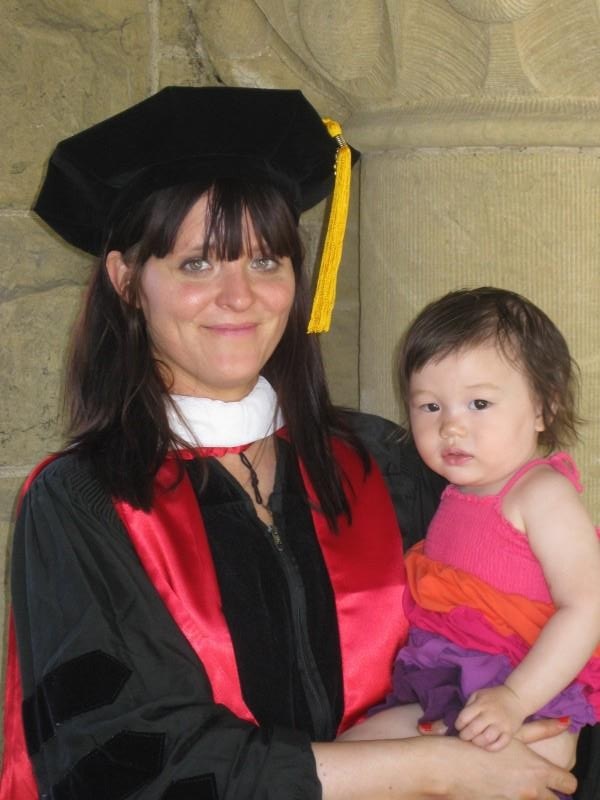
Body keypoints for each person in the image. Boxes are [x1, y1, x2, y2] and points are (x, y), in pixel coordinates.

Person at [0, 90, 576, 800]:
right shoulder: (86, 502)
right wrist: (435, 767)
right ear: (126, 282)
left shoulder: (385, 460)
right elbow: (121, 756)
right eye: (197, 264)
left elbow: (528, 625)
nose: (240, 296)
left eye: (267, 261)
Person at [340, 288, 600, 791]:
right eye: (430, 406)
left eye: (479, 403)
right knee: (351, 754)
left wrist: (516, 698)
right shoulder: (452, 493)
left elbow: (587, 606)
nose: (452, 427)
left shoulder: (541, 493)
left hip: (530, 686)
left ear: (544, 407)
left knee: (538, 765)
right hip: (445, 681)